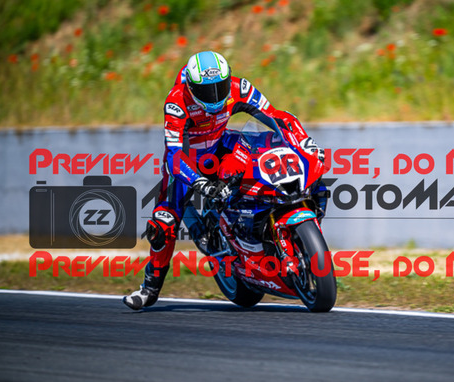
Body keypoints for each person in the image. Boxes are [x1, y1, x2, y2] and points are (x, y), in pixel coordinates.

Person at [123, 51, 323, 310]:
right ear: (191, 87)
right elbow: (174, 155)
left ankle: (273, 228)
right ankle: (149, 289)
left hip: (221, 147)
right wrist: (200, 183)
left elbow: (276, 116)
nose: (216, 96)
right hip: (188, 162)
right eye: (207, 91)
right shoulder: (176, 102)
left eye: (221, 86)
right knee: (164, 224)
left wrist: (305, 142)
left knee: (284, 162)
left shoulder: (240, 88)